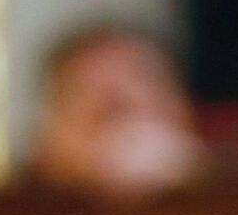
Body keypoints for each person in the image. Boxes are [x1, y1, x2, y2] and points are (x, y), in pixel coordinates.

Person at [28, 22, 207, 202]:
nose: (126, 135)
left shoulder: (216, 191)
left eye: (143, 83)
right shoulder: (21, 208)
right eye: (86, 93)